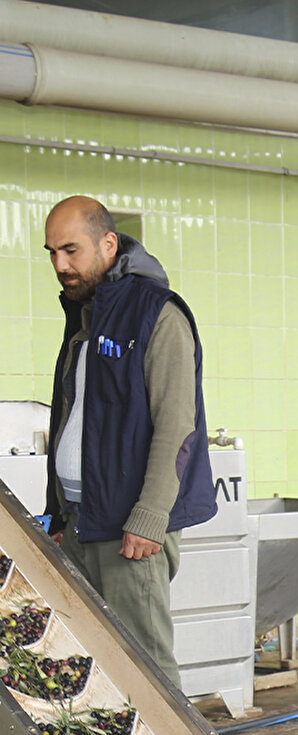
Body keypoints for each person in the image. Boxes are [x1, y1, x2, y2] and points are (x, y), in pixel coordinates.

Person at [42, 196, 217, 686]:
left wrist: (149, 517)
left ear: (108, 243)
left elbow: (177, 424)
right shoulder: (86, 315)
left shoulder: (156, 313)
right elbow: (75, 417)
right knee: (89, 669)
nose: (60, 265)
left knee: (146, 673)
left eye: (71, 250)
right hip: (81, 521)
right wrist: (57, 513)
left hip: (129, 531)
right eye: (52, 253)